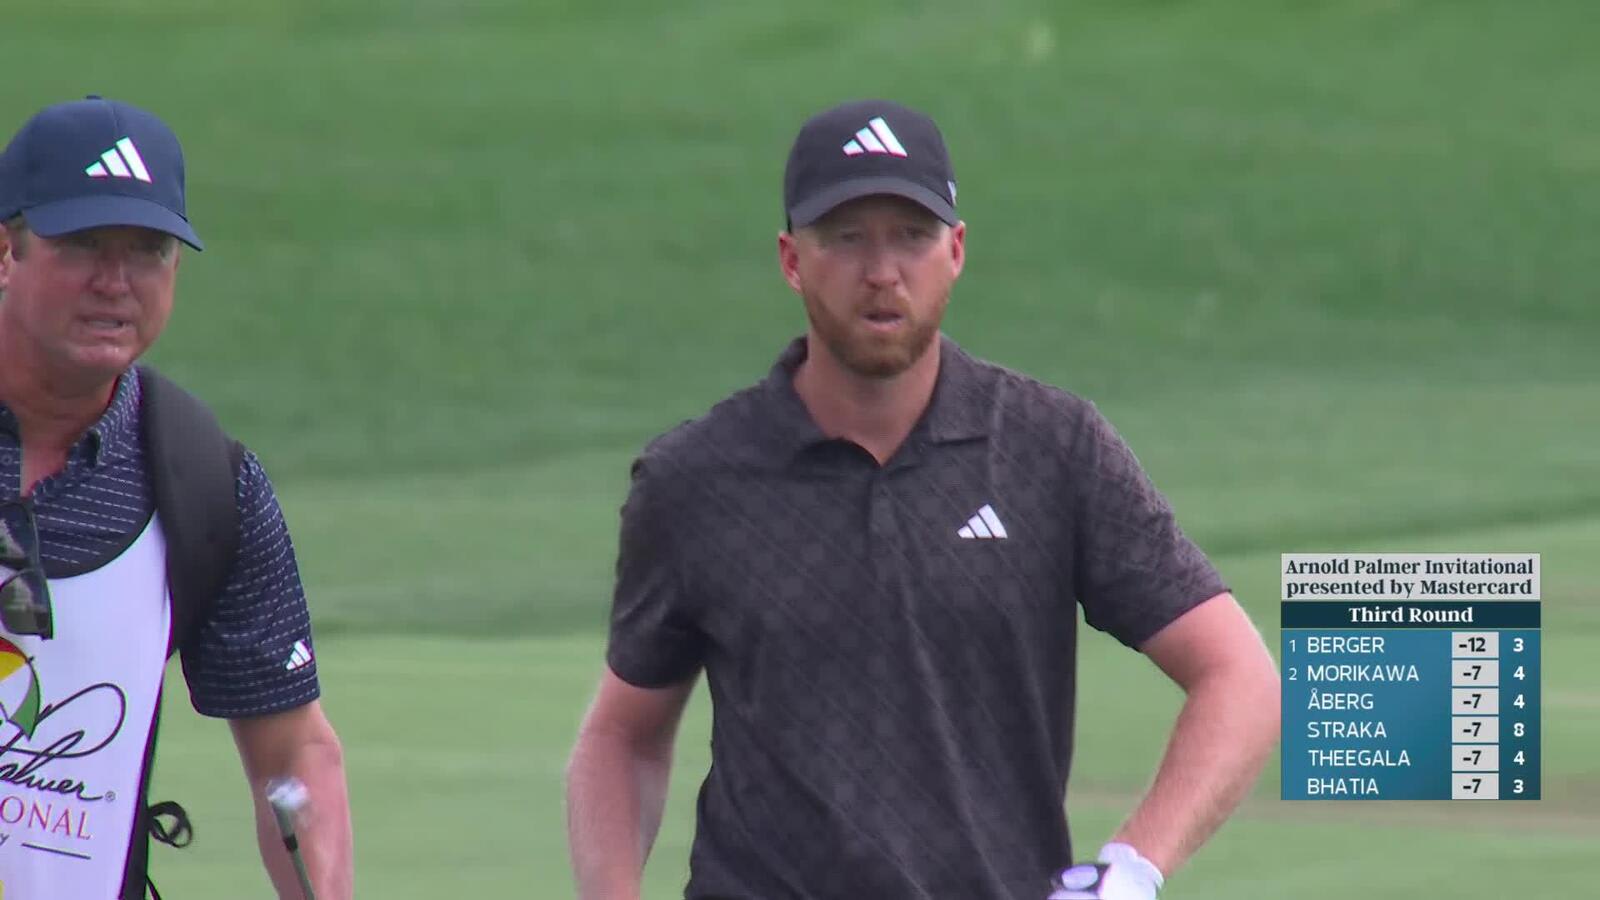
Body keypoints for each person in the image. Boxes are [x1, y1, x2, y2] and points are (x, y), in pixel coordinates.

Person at [567, 99, 1280, 900]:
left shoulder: (1050, 449)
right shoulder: (696, 479)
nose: (882, 272)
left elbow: (1238, 675)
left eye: (911, 235)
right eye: (846, 238)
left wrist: (1130, 870)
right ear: (792, 259)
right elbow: (623, 737)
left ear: (957, 251)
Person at [0, 97, 351, 899]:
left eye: (150, 250)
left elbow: (292, 757)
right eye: (83, 243)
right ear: (5, 252)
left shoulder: (202, 482)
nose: (115, 282)